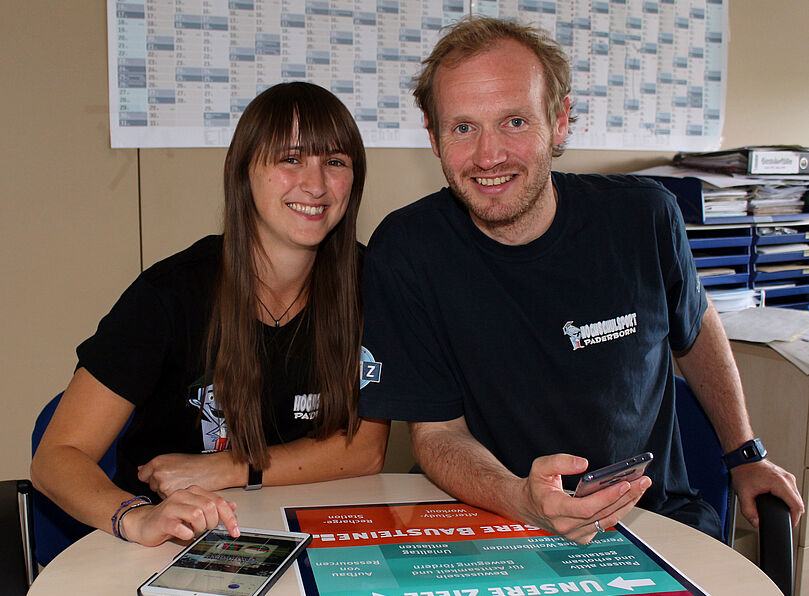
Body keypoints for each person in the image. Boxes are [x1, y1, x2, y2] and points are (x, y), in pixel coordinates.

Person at [358, 17, 803, 545]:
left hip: (649, 521)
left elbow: (696, 326)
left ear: (560, 120)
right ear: (433, 137)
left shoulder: (645, 218)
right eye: (463, 128)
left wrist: (744, 452)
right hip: (491, 524)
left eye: (515, 122)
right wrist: (522, 499)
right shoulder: (407, 251)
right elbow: (437, 433)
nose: (489, 155)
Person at [31, 82, 389, 547]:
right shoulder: (170, 294)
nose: (316, 184)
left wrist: (231, 467)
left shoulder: (373, 285)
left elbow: (364, 451)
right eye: (290, 159)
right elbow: (57, 456)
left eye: (335, 162)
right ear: (243, 171)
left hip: (310, 533)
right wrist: (137, 518)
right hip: (172, 541)